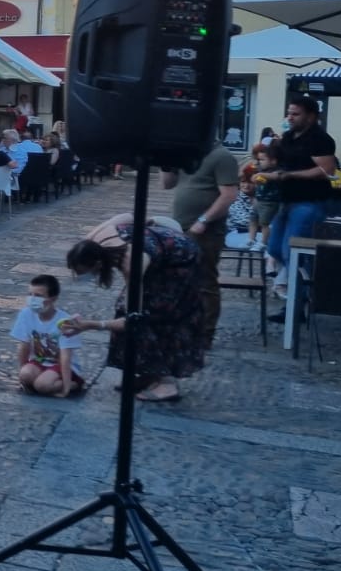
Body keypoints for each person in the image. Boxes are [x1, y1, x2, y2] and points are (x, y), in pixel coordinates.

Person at [65, 213, 202, 403]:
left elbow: (132, 318)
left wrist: (90, 325)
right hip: (157, 253)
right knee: (126, 307)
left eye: (83, 272)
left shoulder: (131, 263)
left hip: (179, 261)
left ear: (98, 264)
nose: (80, 276)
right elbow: (127, 216)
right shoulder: (91, 241)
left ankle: (166, 382)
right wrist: (147, 226)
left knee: (155, 316)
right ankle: (148, 373)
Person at [160, 145, 238, 349]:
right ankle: (184, 328)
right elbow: (167, 184)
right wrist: (166, 162)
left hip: (205, 230)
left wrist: (203, 220)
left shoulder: (221, 156)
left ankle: (205, 335)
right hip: (180, 226)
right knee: (181, 281)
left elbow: (229, 195)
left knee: (205, 282)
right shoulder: (186, 152)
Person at [264, 96, 338, 301]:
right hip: (286, 200)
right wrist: (266, 173)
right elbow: (281, 165)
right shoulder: (288, 137)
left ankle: (296, 305)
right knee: (274, 248)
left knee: (293, 253)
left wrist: (290, 175)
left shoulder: (320, 139)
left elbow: (327, 170)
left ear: (311, 116)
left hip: (309, 201)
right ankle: (294, 292)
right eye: (289, 113)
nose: (290, 117)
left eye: (295, 114)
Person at [12, 274, 85, 397]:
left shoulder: (64, 321)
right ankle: (43, 380)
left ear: (53, 299)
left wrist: (66, 389)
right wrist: (22, 375)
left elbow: (65, 357)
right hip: (39, 361)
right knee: (25, 375)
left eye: (38, 296)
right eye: (30, 294)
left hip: (61, 365)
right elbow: (24, 346)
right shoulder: (26, 314)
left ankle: (74, 383)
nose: (32, 299)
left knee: (42, 386)